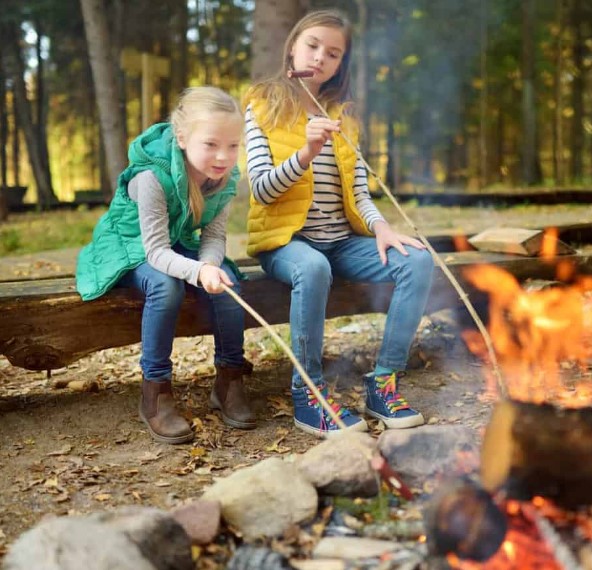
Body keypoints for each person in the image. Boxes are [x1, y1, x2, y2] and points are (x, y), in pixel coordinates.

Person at [243, 9, 433, 437]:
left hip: (342, 241)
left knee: (417, 261)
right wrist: (305, 154)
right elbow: (262, 190)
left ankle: (383, 383)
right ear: (293, 45)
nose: (320, 58)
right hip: (285, 242)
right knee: (312, 267)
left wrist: (382, 227)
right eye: (312, 45)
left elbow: (359, 193)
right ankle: (307, 394)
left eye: (333, 53)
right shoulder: (263, 105)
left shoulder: (343, 116)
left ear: (340, 64)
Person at [76, 86, 255, 444]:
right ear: (183, 138)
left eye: (233, 146)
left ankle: (229, 380)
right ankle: (155, 393)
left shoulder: (224, 179)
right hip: (130, 245)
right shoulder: (152, 177)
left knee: (229, 282)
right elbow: (155, 251)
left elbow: (214, 237)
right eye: (211, 144)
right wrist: (196, 271)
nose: (223, 156)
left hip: (175, 243)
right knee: (165, 285)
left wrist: (209, 265)